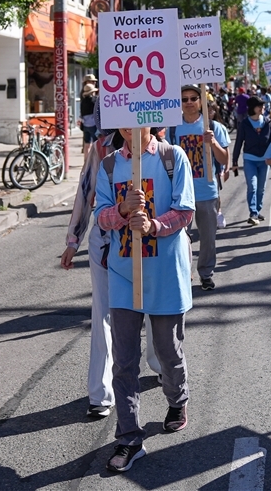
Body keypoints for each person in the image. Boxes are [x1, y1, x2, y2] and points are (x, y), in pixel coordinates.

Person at [94, 126, 195, 473]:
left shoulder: (172, 158)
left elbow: (185, 211)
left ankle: (177, 400)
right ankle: (129, 438)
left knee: (168, 349)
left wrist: (153, 226)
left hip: (166, 274)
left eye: (139, 119)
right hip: (123, 276)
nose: (131, 126)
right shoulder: (109, 165)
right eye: (123, 119)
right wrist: (121, 210)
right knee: (123, 361)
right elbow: (101, 217)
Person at [61, 130, 162, 419]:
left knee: (156, 305)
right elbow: (85, 192)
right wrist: (73, 240)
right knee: (104, 313)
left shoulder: (161, 147)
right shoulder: (102, 148)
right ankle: (100, 393)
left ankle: (161, 365)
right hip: (107, 244)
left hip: (151, 241)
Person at [170, 84, 230, 290]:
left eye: (193, 98)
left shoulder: (213, 127)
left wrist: (213, 143)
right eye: (184, 99)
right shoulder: (172, 128)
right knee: (179, 237)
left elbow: (224, 159)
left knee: (207, 238)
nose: (188, 103)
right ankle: (183, 273)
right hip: (180, 193)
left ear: (201, 101)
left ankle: (205, 273)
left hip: (207, 191)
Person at [232, 96, 271, 224]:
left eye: (263, 105)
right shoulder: (245, 124)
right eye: (259, 106)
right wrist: (234, 161)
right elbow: (239, 142)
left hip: (264, 160)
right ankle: (253, 213)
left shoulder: (267, 122)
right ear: (252, 108)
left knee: (261, 188)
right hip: (249, 159)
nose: (262, 108)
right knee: (252, 186)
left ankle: (258, 209)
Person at [80, 78, 99, 157]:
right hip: (93, 124)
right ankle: (95, 160)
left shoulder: (82, 102)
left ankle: (86, 161)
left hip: (85, 125)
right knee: (95, 144)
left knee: (87, 144)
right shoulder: (95, 100)